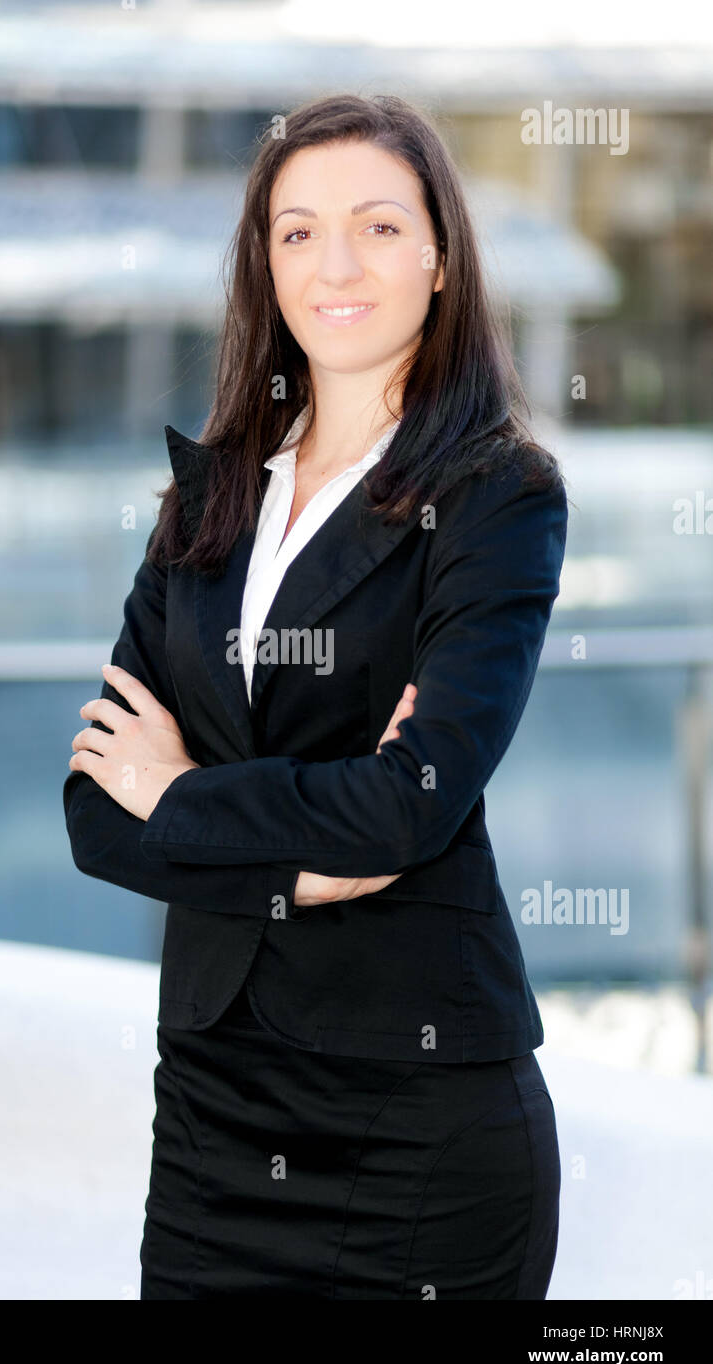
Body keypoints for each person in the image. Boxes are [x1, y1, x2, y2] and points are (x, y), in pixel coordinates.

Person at [64, 93, 568, 1300]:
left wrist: (178, 795)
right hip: (208, 1116)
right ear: (262, 263)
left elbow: (411, 807)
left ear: (440, 255)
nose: (333, 264)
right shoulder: (204, 499)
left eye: (377, 227)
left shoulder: (496, 494)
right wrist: (310, 841)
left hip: (417, 1126)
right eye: (296, 232)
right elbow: (93, 814)